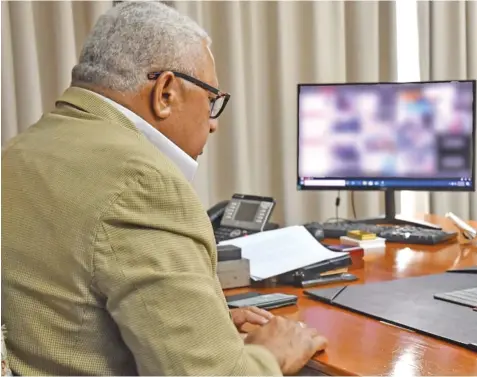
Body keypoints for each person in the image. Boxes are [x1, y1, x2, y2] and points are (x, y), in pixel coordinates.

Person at [1, 2, 325, 376]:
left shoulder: (19, 150)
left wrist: (201, 329)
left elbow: (67, 311)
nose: (213, 124)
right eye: (212, 101)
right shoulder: (142, 182)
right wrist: (273, 353)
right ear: (166, 92)